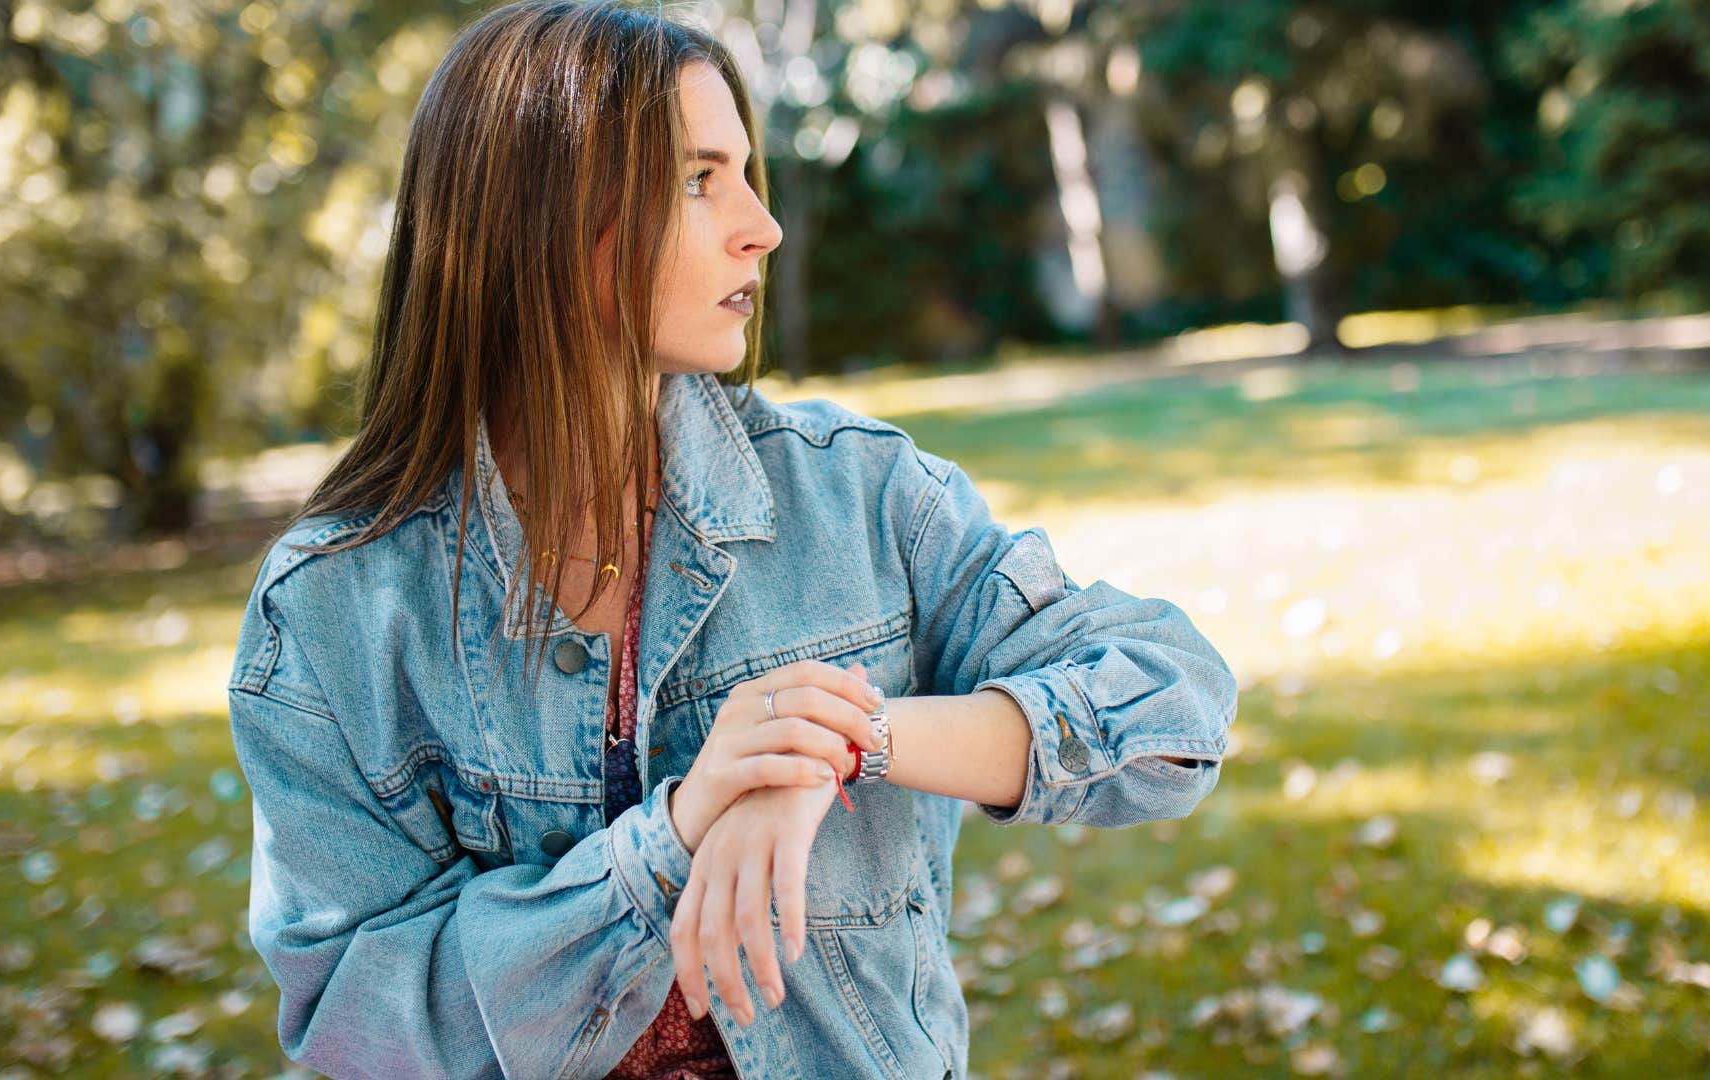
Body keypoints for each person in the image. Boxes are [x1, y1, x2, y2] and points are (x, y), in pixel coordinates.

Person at [224, 1, 1238, 1077]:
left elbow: (1171, 706)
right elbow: (361, 1020)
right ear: (542, 215)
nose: (764, 224)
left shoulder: (860, 496)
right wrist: (671, 841)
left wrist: (839, 741)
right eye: (701, 178)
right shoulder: (333, 610)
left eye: (745, 172)